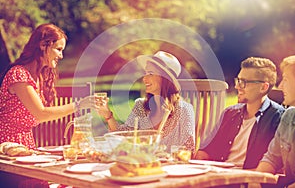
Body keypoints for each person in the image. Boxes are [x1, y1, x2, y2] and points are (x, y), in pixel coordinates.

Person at [0, 23, 98, 187]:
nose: (61, 55)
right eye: (58, 49)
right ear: (43, 45)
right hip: (6, 152)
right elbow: (41, 113)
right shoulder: (18, 74)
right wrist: (80, 104)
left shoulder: (39, 76)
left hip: (27, 149)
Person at [194, 57, 285, 169]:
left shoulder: (279, 119)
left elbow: (277, 165)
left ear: (263, 87)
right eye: (238, 80)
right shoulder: (229, 113)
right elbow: (208, 150)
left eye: (244, 82)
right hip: (217, 176)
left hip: (247, 180)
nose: (237, 86)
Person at [98, 51, 195, 152]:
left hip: (170, 166)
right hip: (141, 164)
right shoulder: (140, 105)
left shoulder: (184, 110)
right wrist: (108, 115)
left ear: (166, 79)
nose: (144, 78)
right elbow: (125, 135)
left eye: (151, 73)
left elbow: (188, 150)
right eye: (145, 73)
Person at [256, 55, 295, 187]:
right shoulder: (289, 117)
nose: (280, 86)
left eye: (286, 80)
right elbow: (272, 158)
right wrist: (256, 179)